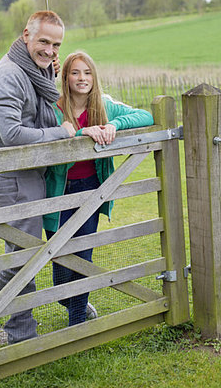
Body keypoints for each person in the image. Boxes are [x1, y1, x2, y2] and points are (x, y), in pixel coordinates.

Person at [0, 11, 75, 346]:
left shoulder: (36, 69)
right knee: (25, 255)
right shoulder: (10, 75)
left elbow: (42, 109)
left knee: (24, 253)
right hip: (12, 179)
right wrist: (60, 133)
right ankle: (16, 328)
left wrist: (48, 77)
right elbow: (12, 133)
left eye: (56, 44)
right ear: (26, 34)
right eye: (44, 41)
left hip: (31, 176)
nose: (50, 50)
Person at [43, 51, 154, 326]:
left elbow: (145, 116)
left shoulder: (104, 105)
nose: (82, 78)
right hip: (58, 190)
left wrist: (113, 124)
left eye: (87, 72)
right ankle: (69, 300)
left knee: (83, 254)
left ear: (94, 76)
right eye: (75, 73)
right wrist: (82, 133)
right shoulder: (53, 108)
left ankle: (78, 319)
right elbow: (49, 142)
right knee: (58, 257)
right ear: (65, 76)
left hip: (92, 188)